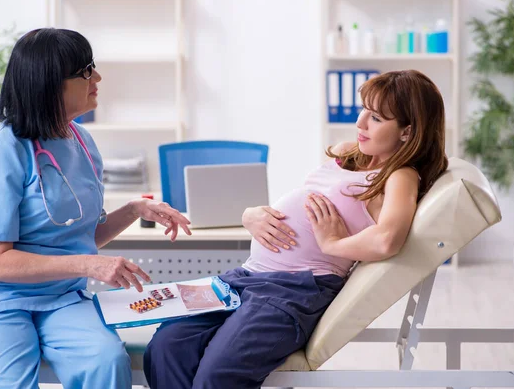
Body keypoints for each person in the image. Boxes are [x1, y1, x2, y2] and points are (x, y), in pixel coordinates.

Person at [143, 69, 449, 389]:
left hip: (294, 291)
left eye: (375, 117)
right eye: (363, 110)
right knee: (165, 348)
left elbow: (388, 239)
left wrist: (332, 244)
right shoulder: (349, 154)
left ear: (407, 131)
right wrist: (250, 215)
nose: (360, 123)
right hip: (246, 276)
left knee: (218, 376)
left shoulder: (400, 176)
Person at [0, 28, 191, 389]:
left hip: (61, 297)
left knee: (108, 362)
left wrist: (134, 209)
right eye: (86, 71)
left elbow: (80, 235)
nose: (97, 78)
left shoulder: (81, 140)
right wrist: (89, 264)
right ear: (50, 84)